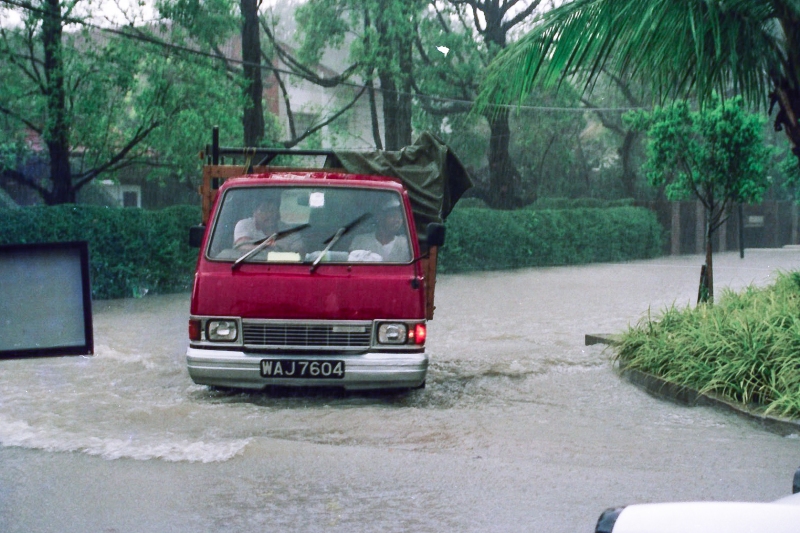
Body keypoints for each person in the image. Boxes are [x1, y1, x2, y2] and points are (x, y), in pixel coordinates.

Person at [233, 197, 303, 253]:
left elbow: (301, 252)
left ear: (278, 213)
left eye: (273, 210)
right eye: (264, 210)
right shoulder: (245, 225)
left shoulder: (289, 230)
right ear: (254, 213)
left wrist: (283, 250)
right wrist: (268, 247)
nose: (269, 214)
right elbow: (242, 246)